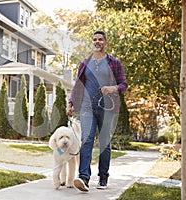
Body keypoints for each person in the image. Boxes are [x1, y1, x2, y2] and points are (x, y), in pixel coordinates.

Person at [66, 30, 127, 192]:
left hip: (107, 108)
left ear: (105, 43)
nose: (97, 42)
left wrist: (112, 88)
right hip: (87, 106)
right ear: (92, 42)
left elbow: (123, 85)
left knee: (104, 142)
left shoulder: (114, 62)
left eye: (100, 39)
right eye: (95, 39)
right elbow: (78, 85)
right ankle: (84, 177)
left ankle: (103, 176)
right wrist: (70, 103)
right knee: (86, 140)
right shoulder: (85, 63)